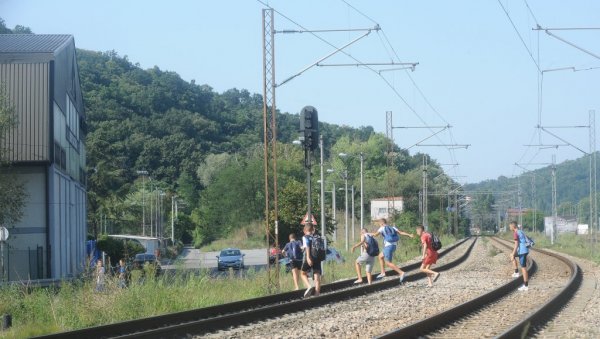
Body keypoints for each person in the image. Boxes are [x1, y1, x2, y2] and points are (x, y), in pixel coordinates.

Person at [371, 218, 414, 282]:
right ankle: (383, 273)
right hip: (393, 246)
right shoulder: (393, 227)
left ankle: (401, 273)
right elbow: (401, 232)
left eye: (379, 224)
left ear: (382, 223)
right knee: (380, 256)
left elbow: (375, 235)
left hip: (388, 246)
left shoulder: (382, 228)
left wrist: (367, 233)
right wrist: (409, 235)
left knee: (388, 263)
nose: (379, 225)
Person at [300, 223, 322, 297]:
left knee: (302, 273)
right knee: (317, 277)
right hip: (317, 258)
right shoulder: (317, 237)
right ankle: (317, 295)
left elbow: (308, 247)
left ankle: (309, 286)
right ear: (313, 229)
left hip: (310, 257)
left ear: (304, 230)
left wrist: (308, 258)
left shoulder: (305, 237)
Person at [509, 221, 530, 291]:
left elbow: (516, 245)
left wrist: (513, 253)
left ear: (513, 226)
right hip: (525, 250)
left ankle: (526, 286)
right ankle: (516, 272)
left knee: (523, 268)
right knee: (512, 255)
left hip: (522, 251)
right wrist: (513, 254)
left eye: (510, 226)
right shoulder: (521, 231)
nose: (509, 227)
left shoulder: (516, 233)